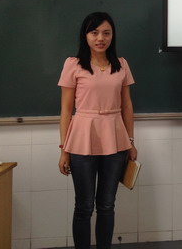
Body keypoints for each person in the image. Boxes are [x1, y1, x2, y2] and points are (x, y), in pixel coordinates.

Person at [58, 12, 137, 249]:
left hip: (115, 138)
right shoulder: (73, 64)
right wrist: (64, 149)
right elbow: (66, 110)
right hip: (82, 137)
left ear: (112, 36)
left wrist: (131, 142)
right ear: (85, 36)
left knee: (106, 205)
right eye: (94, 33)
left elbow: (127, 106)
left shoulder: (121, 64)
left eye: (106, 33)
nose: (100, 38)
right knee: (84, 206)